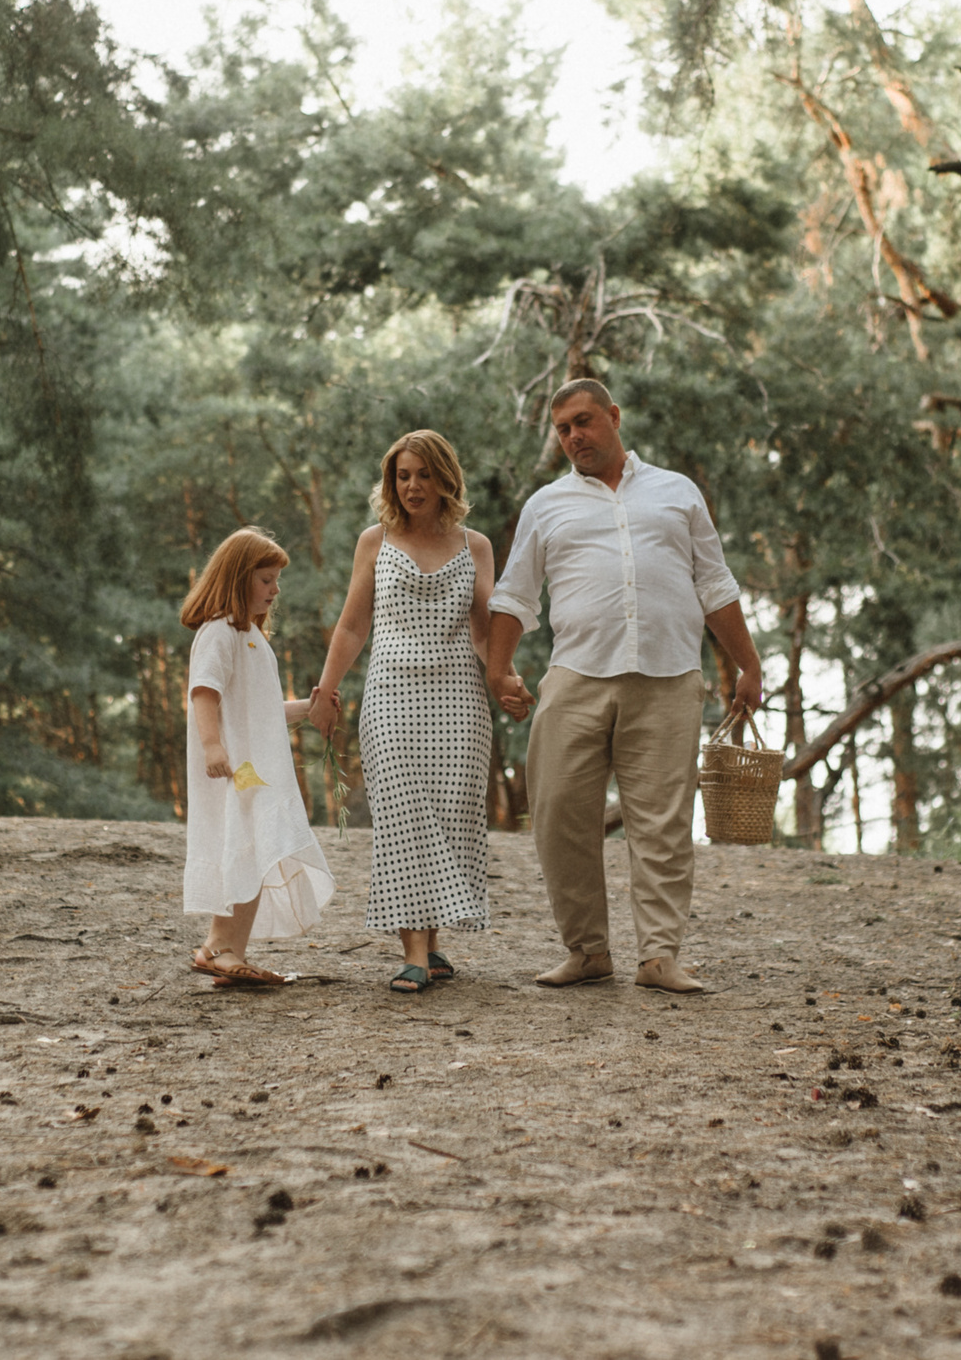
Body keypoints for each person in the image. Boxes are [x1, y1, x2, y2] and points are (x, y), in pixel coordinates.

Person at [488, 380, 762, 993]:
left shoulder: (676, 492)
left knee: (662, 824)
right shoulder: (546, 504)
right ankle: (586, 951)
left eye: (583, 421)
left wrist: (748, 664)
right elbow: (514, 593)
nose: (574, 437)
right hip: (575, 676)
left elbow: (714, 584)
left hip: (668, 677)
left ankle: (659, 957)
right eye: (562, 430)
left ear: (614, 416)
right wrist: (500, 667)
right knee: (558, 814)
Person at [310, 431, 499, 994]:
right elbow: (351, 625)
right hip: (390, 697)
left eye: (423, 474)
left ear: (446, 478)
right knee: (403, 817)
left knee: (451, 813)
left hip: (460, 698)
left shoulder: (477, 545)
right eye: (402, 475)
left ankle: (434, 945)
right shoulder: (376, 540)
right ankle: (414, 950)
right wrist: (325, 691)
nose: (412, 486)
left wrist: (505, 680)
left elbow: (487, 631)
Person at [179, 527, 337, 986]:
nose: (275, 589)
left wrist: (309, 708)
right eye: (266, 579)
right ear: (236, 578)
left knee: (255, 850)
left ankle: (223, 947)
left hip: (256, 769)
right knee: (245, 848)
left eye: (276, 580)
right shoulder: (219, 633)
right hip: (235, 769)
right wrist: (212, 745)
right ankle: (218, 946)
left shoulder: (251, 637)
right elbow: (203, 693)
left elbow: (263, 712)